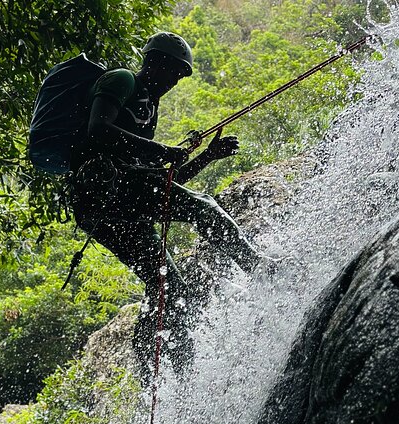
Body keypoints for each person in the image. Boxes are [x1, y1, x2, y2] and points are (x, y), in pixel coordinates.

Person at [70, 32, 271, 377]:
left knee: (169, 287)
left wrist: (207, 156)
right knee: (204, 207)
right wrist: (163, 151)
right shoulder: (122, 80)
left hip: (116, 205)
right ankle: (261, 270)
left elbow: (162, 182)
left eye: (180, 75)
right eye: (174, 72)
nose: (175, 81)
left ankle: (164, 370)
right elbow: (97, 130)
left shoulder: (148, 107)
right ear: (156, 62)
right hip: (105, 195)